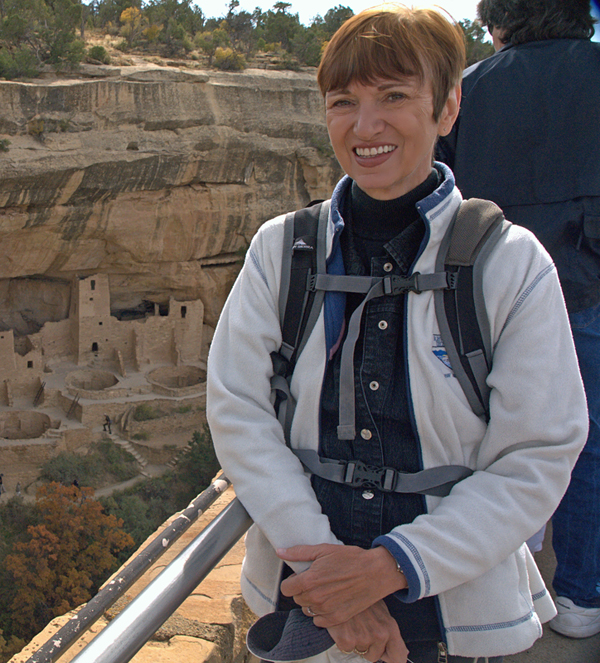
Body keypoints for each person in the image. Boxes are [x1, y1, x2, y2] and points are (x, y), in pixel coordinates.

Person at [207, 5, 588, 662]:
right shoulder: (284, 250)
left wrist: (388, 567)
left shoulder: (509, 262)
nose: (366, 124)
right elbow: (238, 410)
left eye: (394, 97)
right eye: (344, 101)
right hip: (312, 586)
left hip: (455, 603)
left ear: (446, 110)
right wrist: (336, 584)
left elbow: (538, 452)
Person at [437, 0, 600, 639]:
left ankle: (512, 573)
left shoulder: (469, 91)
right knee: (586, 442)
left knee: (492, 435)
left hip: (486, 292)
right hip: (587, 285)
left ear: (502, 22)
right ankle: (583, 597)